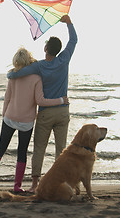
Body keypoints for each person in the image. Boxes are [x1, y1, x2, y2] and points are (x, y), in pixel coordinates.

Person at [0, 47, 69, 193]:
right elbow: (40, 101)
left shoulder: (13, 76)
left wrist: (5, 115)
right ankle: (17, 186)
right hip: (26, 122)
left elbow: (7, 98)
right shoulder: (36, 79)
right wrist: (60, 100)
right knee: (22, 152)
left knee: (0, 148)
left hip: (9, 118)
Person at [6, 15, 77, 192]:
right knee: (61, 150)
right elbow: (74, 40)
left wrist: (9, 75)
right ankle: (62, 183)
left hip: (46, 112)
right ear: (59, 50)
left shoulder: (39, 66)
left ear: (45, 48)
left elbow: (18, 73)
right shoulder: (64, 59)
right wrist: (69, 23)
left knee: (39, 148)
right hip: (62, 111)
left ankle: (35, 185)